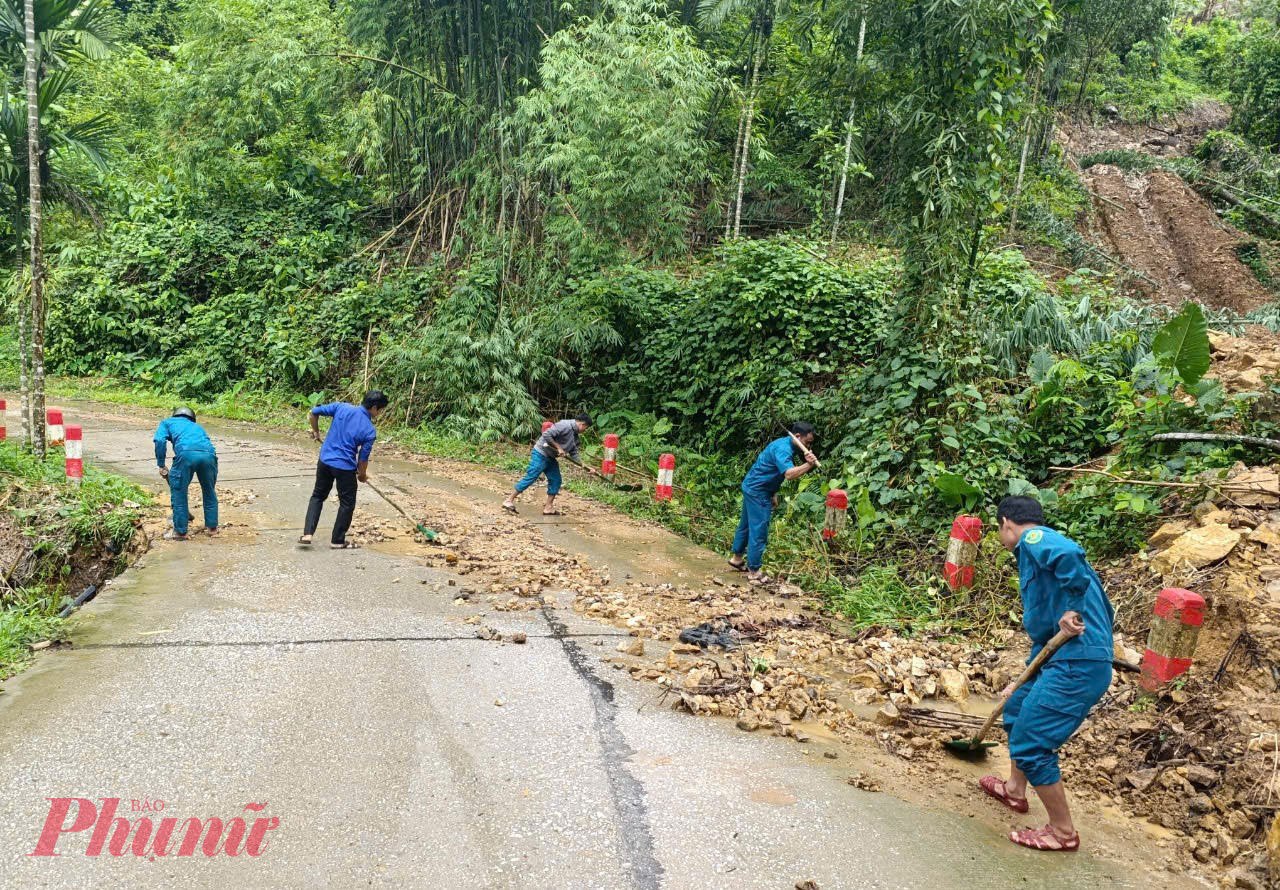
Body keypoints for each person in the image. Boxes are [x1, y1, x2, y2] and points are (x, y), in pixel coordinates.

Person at [979, 495, 1115, 852]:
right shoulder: (1035, 560)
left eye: (998, 529)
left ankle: (1063, 832)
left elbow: (1070, 555)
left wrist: (1072, 607)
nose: (1000, 535)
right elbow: (1049, 631)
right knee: (1016, 708)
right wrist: (1026, 674)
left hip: (1078, 663)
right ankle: (1014, 790)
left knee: (1031, 741)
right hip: (1055, 657)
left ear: (1007, 523)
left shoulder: (1035, 540)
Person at [727, 422, 818, 584]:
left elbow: (773, 471)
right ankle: (754, 571)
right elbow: (789, 474)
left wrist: (773, 493)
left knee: (747, 525)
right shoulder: (783, 449)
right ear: (797, 437)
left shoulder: (783, 443)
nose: (808, 447)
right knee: (759, 530)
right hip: (758, 491)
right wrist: (808, 464)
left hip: (754, 486)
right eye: (807, 442)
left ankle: (736, 559)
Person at [300, 391, 389, 549]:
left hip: (325, 461)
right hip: (345, 468)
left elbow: (313, 413)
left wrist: (316, 431)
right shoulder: (369, 430)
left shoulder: (341, 407)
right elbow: (362, 459)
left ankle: (307, 534)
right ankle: (337, 540)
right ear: (374, 408)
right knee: (347, 504)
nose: (380, 413)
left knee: (318, 496)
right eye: (381, 410)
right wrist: (362, 475)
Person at [503, 413, 596, 515]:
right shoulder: (564, 425)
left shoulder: (575, 437)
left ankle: (548, 507)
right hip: (540, 453)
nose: (585, 430)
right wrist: (559, 448)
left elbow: (574, 453)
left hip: (551, 457)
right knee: (532, 477)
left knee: (556, 480)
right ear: (582, 424)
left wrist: (586, 467)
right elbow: (546, 435)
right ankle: (509, 500)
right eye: (586, 428)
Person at [154, 407, 219, 541]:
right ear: (192, 417)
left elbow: (160, 441)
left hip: (185, 454)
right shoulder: (197, 426)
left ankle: (180, 532)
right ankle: (212, 528)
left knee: (179, 491)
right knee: (209, 491)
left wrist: (161, 464)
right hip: (209, 455)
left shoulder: (166, 422)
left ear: (174, 415)